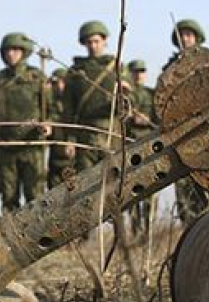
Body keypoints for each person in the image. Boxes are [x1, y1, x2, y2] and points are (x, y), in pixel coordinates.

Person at [0, 32, 49, 213]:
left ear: (24, 52)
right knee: (9, 198)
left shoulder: (37, 78)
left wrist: (48, 125)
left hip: (31, 145)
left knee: (35, 197)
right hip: (4, 147)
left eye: (16, 50)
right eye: (7, 51)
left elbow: (51, 108)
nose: (11, 54)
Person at [63, 20, 129, 172]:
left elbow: (131, 101)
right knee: (86, 179)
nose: (93, 46)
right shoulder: (76, 71)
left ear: (105, 41)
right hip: (85, 132)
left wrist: (125, 93)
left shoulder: (117, 67)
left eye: (96, 41)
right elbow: (68, 108)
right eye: (89, 42)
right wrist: (70, 139)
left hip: (112, 131)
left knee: (113, 179)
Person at [165, 19, 209, 224]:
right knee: (183, 183)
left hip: (206, 130)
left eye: (189, 35)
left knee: (208, 179)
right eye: (182, 35)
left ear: (197, 38)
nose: (185, 39)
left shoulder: (208, 62)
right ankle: (188, 227)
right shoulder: (170, 69)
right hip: (180, 132)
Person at [127, 59, 158, 240]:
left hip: (148, 147)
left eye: (141, 71)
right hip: (130, 147)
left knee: (149, 190)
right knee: (131, 192)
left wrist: (147, 121)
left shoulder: (151, 95)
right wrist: (131, 117)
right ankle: (134, 230)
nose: (138, 74)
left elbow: (159, 121)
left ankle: (147, 231)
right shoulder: (126, 95)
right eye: (135, 71)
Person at [47, 68, 73, 189]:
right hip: (54, 159)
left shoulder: (75, 104)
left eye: (63, 82)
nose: (60, 86)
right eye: (56, 83)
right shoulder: (49, 105)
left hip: (73, 160)